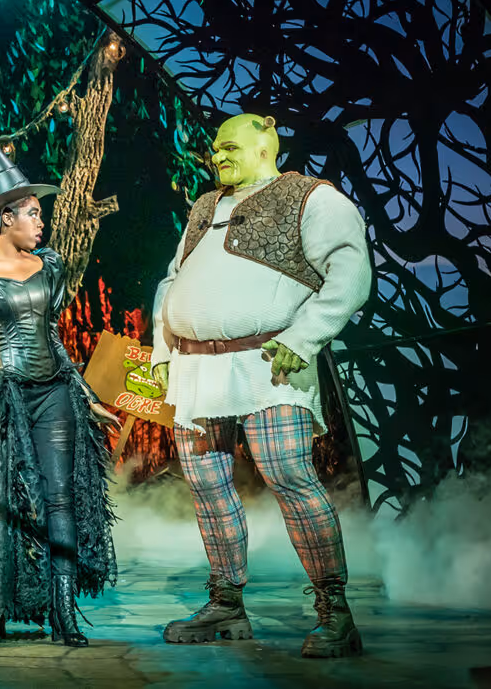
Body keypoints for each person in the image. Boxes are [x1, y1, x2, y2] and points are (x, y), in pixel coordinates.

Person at [151, 114, 372, 658]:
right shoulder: (205, 207)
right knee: (206, 485)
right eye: (214, 149)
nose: (217, 156)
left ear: (265, 140)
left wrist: (305, 337)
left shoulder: (310, 197)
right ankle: (226, 602)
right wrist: (162, 350)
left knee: (289, 476)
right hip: (197, 369)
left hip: (268, 363)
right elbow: (172, 280)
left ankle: (335, 611)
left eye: (229, 147)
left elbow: (351, 270)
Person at [0, 120, 119, 648]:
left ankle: (64, 615)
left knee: (60, 499)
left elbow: (53, 335)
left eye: (40, 213)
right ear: (5, 217)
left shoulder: (48, 265)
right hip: (1, 395)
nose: (42, 221)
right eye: (33, 213)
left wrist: (86, 395)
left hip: (54, 392)